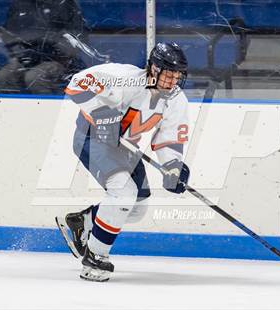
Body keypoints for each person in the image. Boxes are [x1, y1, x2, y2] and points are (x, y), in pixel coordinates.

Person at [56, 42, 191, 282]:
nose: (172, 81)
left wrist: (173, 166)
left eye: (177, 76)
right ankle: (95, 257)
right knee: (123, 192)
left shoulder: (176, 100)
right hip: (91, 137)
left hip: (124, 146)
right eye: (168, 74)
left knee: (137, 206)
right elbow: (77, 82)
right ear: (153, 68)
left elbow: (168, 138)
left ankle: (83, 221)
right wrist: (100, 114)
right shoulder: (125, 78)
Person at [0, 0, 88, 94]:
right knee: (3, 76)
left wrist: (58, 52)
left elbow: (78, 37)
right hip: (26, 57)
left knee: (34, 77)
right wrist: (17, 53)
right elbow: (8, 35)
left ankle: (51, 108)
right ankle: (11, 108)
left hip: (57, 60)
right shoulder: (20, 4)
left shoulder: (65, 3)